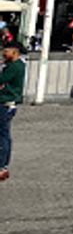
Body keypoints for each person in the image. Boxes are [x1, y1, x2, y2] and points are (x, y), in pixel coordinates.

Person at [0, 39, 26, 181]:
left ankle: (2, 166)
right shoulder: (13, 65)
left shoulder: (15, 67)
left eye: (6, 50)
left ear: (15, 51)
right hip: (6, 102)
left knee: (3, 135)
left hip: (5, 103)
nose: (4, 53)